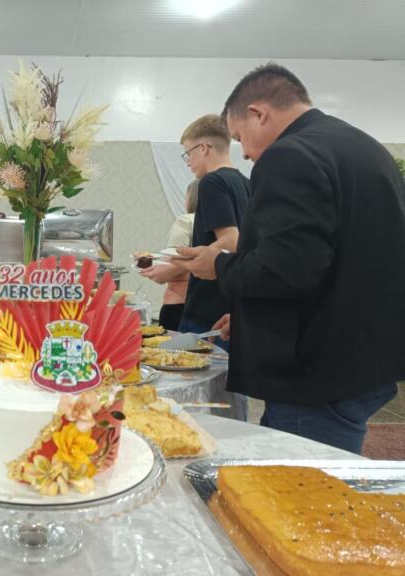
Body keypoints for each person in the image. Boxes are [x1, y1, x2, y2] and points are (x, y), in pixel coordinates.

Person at [178, 63, 405, 453]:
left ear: (259, 113)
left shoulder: (288, 155)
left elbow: (286, 268)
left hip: (315, 372)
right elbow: (334, 261)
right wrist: (253, 317)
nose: (246, 153)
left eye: (239, 137)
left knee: (305, 493)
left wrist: (216, 266)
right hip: (364, 357)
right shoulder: (366, 148)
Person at [176, 114, 251, 349]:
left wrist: (177, 266)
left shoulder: (211, 183)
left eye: (188, 153)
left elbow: (231, 241)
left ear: (204, 148)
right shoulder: (247, 184)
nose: (188, 161)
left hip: (207, 310)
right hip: (233, 305)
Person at [139, 179, 198, 331]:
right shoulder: (224, 227)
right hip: (208, 305)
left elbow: (175, 260)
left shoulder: (186, 221)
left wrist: (156, 268)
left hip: (178, 301)